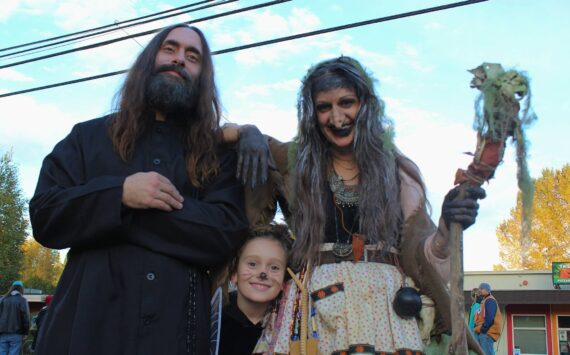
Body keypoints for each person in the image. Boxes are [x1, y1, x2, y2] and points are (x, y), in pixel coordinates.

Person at [225, 56, 486, 354]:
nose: (336, 118)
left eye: (346, 102)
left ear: (366, 104)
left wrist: (445, 226)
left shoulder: (398, 169)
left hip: (387, 312)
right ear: (312, 112)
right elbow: (214, 137)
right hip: (315, 312)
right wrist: (248, 132)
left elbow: (421, 254)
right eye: (324, 107)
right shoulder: (292, 162)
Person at [29, 24, 249, 355]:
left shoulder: (215, 155)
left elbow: (226, 232)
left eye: (193, 57)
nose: (179, 60)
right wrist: (120, 194)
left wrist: (120, 217)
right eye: (170, 49)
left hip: (177, 335)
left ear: (203, 76)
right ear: (149, 60)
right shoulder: (88, 138)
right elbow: (45, 214)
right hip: (86, 329)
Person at [218, 224, 291, 355]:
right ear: (234, 273)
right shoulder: (213, 323)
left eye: (274, 267)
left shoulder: (290, 327)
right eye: (252, 264)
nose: (263, 273)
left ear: (284, 282)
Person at [0, 281, 30, 355]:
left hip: (2, 332)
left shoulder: (3, 299)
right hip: (16, 333)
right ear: (21, 289)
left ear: (11, 288)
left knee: (2, 352)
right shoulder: (22, 300)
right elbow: (25, 318)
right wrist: (25, 332)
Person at [474, 282, 502, 355]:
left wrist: (483, 329)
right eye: (479, 288)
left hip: (487, 333)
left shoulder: (490, 300)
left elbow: (490, 317)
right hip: (484, 333)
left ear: (487, 290)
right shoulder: (484, 301)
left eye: (482, 288)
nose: (479, 290)